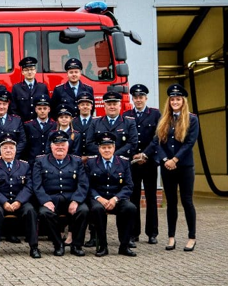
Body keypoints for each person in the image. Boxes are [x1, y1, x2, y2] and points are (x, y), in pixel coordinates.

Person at [155, 84, 199, 252]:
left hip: (185, 166)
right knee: (171, 202)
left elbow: (189, 143)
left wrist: (175, 159)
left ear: (183, 101)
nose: (175, 101)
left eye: (178, 99)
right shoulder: (164, 119)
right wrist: (166, 159)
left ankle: (191, 237)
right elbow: (157, 142)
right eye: (172, 99)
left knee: (187, 201)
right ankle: (171, 237)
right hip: (168, 167)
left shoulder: (192, 119)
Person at [32, 131, 89, 257]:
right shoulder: (40, 161)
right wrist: (45, 201)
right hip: (50, 199)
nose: (60, 147)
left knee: (83, 210)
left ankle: (77, 245)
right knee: (44, 213)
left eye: (63, 144)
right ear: (51, 146)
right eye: (57, 144)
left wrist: (76, 200)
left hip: (71, 198)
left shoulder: (76, 161)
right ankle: (58, 244)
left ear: (68, 145)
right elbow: (37, 185)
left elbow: (83, 183)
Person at [0, 133, 40, 259]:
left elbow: (28, 186)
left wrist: (19, 201)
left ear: (16, 150)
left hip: (19, 201)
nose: (8, 150)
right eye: (5, 148)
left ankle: (34, 247)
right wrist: (4, 202)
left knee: (31, 211)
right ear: (0, 150)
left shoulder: (25, 166)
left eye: (11, 148)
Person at [85, 132, 136, 257]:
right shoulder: (91, 163)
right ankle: (103, 246)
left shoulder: (123, 162)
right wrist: (99, 198)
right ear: (99, 148)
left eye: (109, 147)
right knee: (96, 209)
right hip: (98, 198)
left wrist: (115, 199)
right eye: (103, 147)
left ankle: (124, 246)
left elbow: (128, 185)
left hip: (117, 198)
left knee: (130, 208)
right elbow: (87, 185)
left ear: (114, 148)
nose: (106, 150)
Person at [123, 84, 161, 245]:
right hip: (133, 162)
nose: (138, 100)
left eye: (141, 97)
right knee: (134, 197)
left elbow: (158, 137)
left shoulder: (155, 114)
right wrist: (134, 155)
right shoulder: (127, 115)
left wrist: (145, 154)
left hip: (149, 161)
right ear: (132, 99)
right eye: (135, 97)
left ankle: (152, 233)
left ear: (146, 98)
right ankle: (134, 232)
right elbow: (125, 138)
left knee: (151, 197)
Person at [87, 92, 138, 159]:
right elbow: (89, 143)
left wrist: (113, 155)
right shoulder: (95, 122)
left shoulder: (129, 122)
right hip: (99, 161)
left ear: (120, 106)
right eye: (109, 104)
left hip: (122, 161)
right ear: (104, 107)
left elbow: (132, 143)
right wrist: (104, 154)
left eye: (114, 104)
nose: (112, 107)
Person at [11, 56, 49, 122]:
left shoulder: (42, 87)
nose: (29, 72)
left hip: (38, 125)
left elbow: (48, 107)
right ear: (22, 72)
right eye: (26, 70)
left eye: (31, 69)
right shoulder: (16, 88)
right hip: (22, 124)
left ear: (35, 71)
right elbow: (13, 109)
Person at [23, 94, 56, 161]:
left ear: (49, 109)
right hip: (33, 162)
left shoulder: (55, 125)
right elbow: (25, 146)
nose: (42, 111)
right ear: (35, 109)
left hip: (50, 162)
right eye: (39, 108)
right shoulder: (28, 126)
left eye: (45, 108)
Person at [72, 92, 97, 162]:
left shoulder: (97, 122)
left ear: (91, 106)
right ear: (78, 106)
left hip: (92, 158)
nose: (85, 107)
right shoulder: (72, 122)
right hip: (76, 159)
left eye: (87, 104)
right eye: (82, 105)